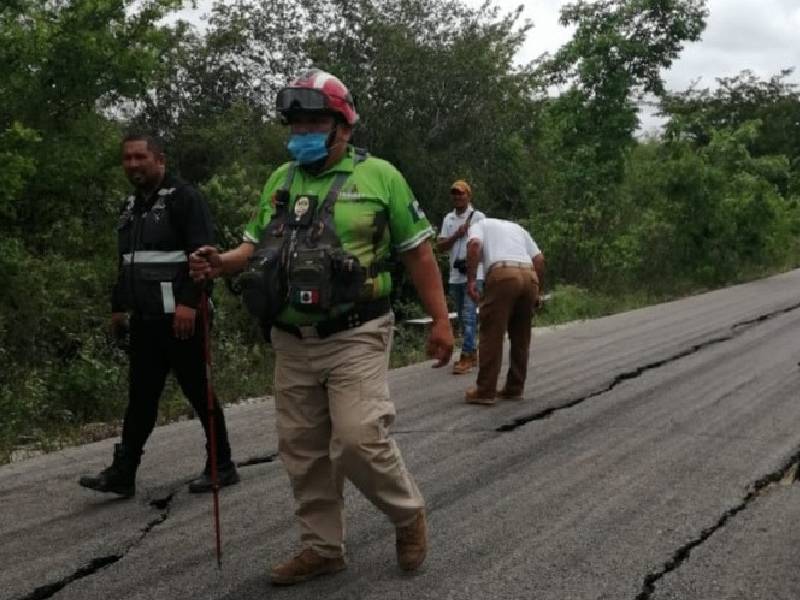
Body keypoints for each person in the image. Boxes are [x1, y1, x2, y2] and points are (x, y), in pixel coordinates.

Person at [188, 70, 453, 585]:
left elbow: (418, 253)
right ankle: (322, 547)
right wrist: (220, 262)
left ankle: (406, 513)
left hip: (357, 332)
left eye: (313, 121)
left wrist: (441, 321)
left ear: (343, 126)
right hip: (291, 340)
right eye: (295, 123)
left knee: (357, 439)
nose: (301, 132)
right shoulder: (281, 180)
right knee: (303, 450)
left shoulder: (381, 176)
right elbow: (253, 246)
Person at [78, 133, 239, 498]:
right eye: (127, 159)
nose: (133, 165)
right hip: (145, 320)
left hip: (183, 319)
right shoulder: (130, 206)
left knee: (199, 392)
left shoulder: (185, 199)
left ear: (159, 159)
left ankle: (221, 465)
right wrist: (117, 307)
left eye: (140, 157)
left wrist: (189, 303)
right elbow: (127, 263)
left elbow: (203, 258)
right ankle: (123, 472)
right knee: (141, 399)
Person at [463, 218, 545, 405]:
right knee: (521, 336)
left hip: (503, 274)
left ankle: (485, 390)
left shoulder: (477, 225)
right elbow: (539, 260)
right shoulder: (517, 228)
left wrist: (471, 280)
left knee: (492, 333)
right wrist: (538, 291)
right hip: (529, 275)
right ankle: (515, 387)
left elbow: (474, 245)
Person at [436, 180, 485, 374]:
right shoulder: (448, 219)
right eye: (454, 194)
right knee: (463, 317)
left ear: (468, 196)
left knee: (468, 314)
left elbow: (483, 243)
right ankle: (472, 352)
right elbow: (439, 246)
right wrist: (457, 235)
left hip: (475, 274)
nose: (457, 197)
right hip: (455, 275)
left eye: (461, 193)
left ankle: (466, 356)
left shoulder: (478, 217)